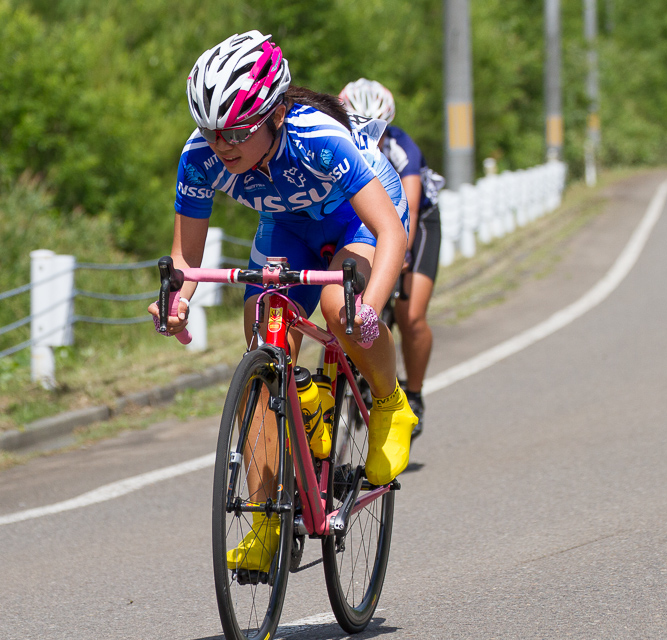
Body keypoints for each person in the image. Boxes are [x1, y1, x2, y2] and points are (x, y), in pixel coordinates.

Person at [149, 31, 417, 572]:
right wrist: (177, 300)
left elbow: (390, 231)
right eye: (212, 131)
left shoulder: (316, 139)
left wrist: (370, 312)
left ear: (273, 116)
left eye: (236, 133)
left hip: (358, 217)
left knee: (342, 309)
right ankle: (267, 516)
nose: (222, 146)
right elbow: (185, 258)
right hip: (287, 225)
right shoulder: (200, 156)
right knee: (263, 329)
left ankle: (390, 403)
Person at [338, 78, 445, 438]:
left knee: (410, 315)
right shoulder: (336, 145)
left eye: (376, 132)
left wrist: (400, 257)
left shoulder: (403, 148)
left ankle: (413, 395)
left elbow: (410, 209)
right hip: (369, 220)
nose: (368, 138)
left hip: (416, 223)